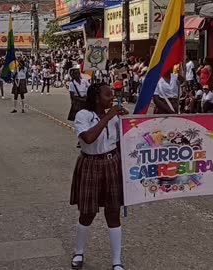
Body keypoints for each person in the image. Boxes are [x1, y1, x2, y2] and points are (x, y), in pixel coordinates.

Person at [70, 83, 128, 270]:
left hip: (111, 163)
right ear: (96, 98)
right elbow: (88, 138)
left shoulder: (115, 118)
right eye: (107, 95)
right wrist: (107, 117)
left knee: (113, 212)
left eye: (112, 95)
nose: (111, 98)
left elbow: (120, 142)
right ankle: (79, 251)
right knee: (88, 212)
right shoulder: (83, 116)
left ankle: (116, 261)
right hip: (90, 163)